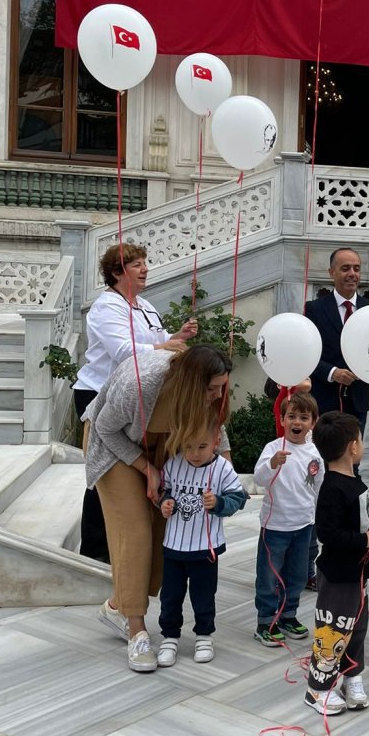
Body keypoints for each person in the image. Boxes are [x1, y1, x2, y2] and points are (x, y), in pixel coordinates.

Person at [84, 345, 231, 672]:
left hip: (164, 446)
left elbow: (214, 428)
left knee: (169, 533)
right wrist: (146, 469)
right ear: (191, 384)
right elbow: (105, 428)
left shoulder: (207, 392)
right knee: (135, 532)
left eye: (222, 387)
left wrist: (224, 475)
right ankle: (136, 629)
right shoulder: (142, 384)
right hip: (113, 446)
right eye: (211, 389)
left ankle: (116, 606)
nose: (217, 395)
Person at [73, 243, 198, 562]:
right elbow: (124, 352)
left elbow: (156, 341)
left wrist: (178, 337)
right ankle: (95, 552)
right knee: (105, 470)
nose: (145, 269)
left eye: (145, 262)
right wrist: (165, 345)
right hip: (99, 396)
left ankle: (125, 549)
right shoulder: (106, 307)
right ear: (117, 272)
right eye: (137, 264)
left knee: (129, 471)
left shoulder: (144, 305)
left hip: (134, 394)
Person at [305, 412, 369, 715]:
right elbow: (328, 533)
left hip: (356, 573)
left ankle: (352, 674)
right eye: (360, 439)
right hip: (338, 575)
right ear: (352, 446)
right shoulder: (332, 488)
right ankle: (318, 688)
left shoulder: (353, 479)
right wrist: (365, 541)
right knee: (333, 629)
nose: (362, 444)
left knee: (357, 626)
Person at [155, 432, 247, 667]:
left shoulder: (222, 468)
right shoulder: (173, 464)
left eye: (202, 446)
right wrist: (164, 502)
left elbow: (238, 497)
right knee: (170, 595)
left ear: (216, 443)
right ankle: (170, 637)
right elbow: (162, 490)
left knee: (204, 595)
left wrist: (219, 503)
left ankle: (204, 636)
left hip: (206, 548)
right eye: (188, 447)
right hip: (174, 546)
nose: (195, 454)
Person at [252, 391, 325, 646]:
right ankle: (265, 620)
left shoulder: (315, 453)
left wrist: (318, 514)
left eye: (304, 418)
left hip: (304, 524)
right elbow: (259, 479)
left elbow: (319, 486)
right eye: (291, 416)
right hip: (275, 526)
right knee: (269, 574)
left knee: (297, 575)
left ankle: (288, 615)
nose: (297, 422)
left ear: (313, 423)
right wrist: (272, 463)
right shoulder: (273, 448)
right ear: (282, 419)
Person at [305, 248, 369, 434]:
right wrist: (332, 372)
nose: (352, 274)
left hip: (357, 402)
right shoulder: (315, 309)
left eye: (356, 269)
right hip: (325, 400)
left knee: (353, 459)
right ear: (331, 272)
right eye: (345, 268)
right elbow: (305, 356)